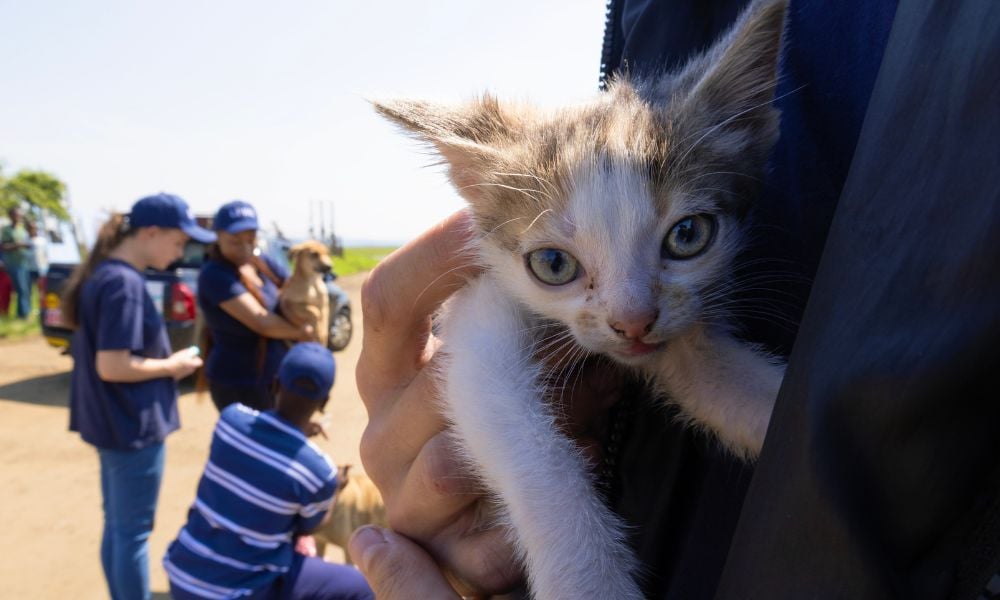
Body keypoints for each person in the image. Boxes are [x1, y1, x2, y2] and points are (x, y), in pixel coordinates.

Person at [348, 1, 1000, 599]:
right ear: (474, 191)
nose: (633, 315)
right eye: (556, 264)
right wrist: (575, 559)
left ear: (749, 130)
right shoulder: (507, 234)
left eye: (685, 236)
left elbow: (717, 382)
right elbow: (480, 367)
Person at [62, 192, 216, 600]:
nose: (182, 252)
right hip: (131, 426)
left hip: (111, 424)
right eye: (179, 242)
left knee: (118, 528)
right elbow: (112, 365)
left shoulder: (106, 275)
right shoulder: (125, 284)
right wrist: (173, 365)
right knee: (133, 534)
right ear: (151, 232)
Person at [163, 342, 374, 600]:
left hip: (183, 573)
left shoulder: (230, 422)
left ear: (274, 384)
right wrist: (336, 487)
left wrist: (292, 432)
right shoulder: (319, 471)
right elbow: (310, 527)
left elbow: (257, 451)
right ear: (324, 403)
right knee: (364, 587)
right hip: (244, 590)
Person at [198, 200, 311, 412]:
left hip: (273, 375)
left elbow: (294, 285)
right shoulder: (215, 275)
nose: (246, 246)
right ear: (218, 236)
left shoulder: (261, 262)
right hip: (240, 382)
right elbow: (262, 322)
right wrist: (301, 331)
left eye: (251, 238)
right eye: (235, 240)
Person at [1, 206, 33, 318]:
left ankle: (25, 312)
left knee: (27, 289)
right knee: (21, 289)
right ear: (11, 216)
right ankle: (23, 314)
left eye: (20, 215)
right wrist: (18, 245)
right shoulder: (6, 230)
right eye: (16, 214)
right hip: (13, 264)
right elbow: (3, 246)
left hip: (25, 263)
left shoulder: (22, 229)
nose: (19, 217)